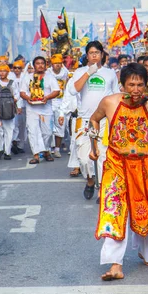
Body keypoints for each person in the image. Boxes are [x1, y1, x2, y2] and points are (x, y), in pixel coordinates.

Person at [90, 63, 148, 281]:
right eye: (131, 84)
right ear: (122, 85)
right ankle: (116, 264)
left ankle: (147, 253)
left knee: (145, 211)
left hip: (145, 167)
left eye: (140, 85)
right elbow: (94, 120)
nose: (136, 89)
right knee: (115, 210)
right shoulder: (109, 102)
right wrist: (94, 143)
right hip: (116, 164)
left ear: (146, 85)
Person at [68, 41, 119, 200]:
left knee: (102, 155)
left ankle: (102, 189)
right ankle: (90, 181)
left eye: (97, 52)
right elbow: (73, 89)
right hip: (85, 120)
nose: (94, 55)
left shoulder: (110, 73)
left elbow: (115, 95)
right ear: (87, 55)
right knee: (84, 158)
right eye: (91, 53)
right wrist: (89, 73)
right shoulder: (80, 72)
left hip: (104, 120)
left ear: (102, 54)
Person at [20, 56, 60, 164]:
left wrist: (47, 97)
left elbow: (57, 91)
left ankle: (46, 150)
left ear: (45, 65)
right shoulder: (27, 77)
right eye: (38, 63)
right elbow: (22, 92)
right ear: (34, 65)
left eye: (42, 63)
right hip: (32, 109)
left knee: (47, 132)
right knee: (33, 132)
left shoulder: (50, 77)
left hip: (46, 109)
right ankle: (36, 155)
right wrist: (28, 98)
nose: (40, 65)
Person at [0, 65, 20, 160]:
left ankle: (7, 151)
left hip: (10, 110)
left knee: (9, 130)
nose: (2, 73)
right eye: (0, 71)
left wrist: (13, 103)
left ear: (8, 72)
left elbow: (17, 94)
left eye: (4, 71)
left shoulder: (13, 83)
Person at [48, 54, 70, 158]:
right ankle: (48, 148)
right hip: (49, 102)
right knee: (48, 126)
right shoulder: (47, 73)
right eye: (55, 63)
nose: (57, 65)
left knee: (60, 125)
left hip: (62, 101)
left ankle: (57, 149)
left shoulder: (65, 73)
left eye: (59, 63)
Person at [11, 60, 27, 155]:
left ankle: (20, 145)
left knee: (23, 126)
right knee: (14, 125)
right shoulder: (10, 78)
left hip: (25, 105)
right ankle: (14, 143)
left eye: (19, 68)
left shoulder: (25, 78)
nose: (17, 70)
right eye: (15, 68)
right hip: (14, 105)